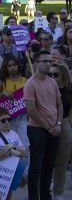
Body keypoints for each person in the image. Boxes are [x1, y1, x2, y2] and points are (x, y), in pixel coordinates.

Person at [24, 50, 63, 200]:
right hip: (37, 130)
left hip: (54, 128)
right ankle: (33, 197)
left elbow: (59, 105)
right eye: (45, 61)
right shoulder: (30, 84)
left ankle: (46, 197)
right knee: (36, 167)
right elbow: (31, 110)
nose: (48, 64)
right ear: (36, 63)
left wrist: (58, 124)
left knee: (49, 166)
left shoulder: (52, 81)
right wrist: (49, 127)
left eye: (49, 61)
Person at [0, 55, 28, 152]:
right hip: (7, 119)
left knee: (24, 145)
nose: (12, 67)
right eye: (9, 66)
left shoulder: (25, 80)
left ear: (18, 66)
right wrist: (3, 94)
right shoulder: (1, 82)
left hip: (22, 117)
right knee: (9, 144)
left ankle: (24, 167)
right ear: (5, 68)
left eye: (14, 65)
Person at [49, 62, 72, 200]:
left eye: (55, 74)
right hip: (47, 125)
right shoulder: (46, 89)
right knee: (46, 162)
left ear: (63, 74)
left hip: (64, 125)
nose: (52, 77)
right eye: (49, 74)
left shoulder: (70, 91)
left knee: (61, 164)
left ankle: (58, 193)